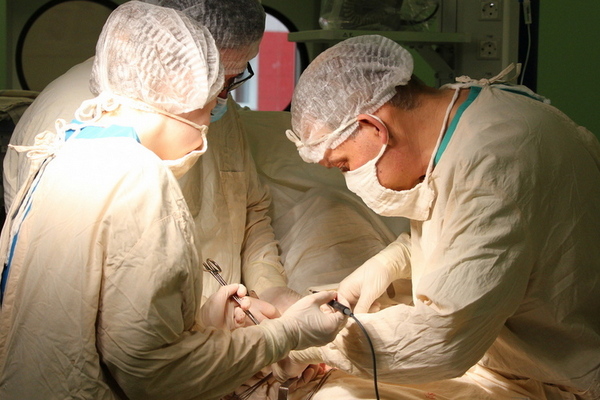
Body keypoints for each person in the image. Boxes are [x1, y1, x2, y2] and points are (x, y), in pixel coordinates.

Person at [0, 3, 347, 399]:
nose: (207, 128)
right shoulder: (141, 180)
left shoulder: (74, 146)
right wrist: (286, 333)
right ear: (181, 90)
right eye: (211, 105)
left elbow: (100, 316)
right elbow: (156, 376)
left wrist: (204, 321)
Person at [278, 35, 600, 399]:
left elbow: (441, 339)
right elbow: (468, 227)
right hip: (506, 352)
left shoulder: (494, 167)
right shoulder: (470, 113)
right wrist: (391, 261)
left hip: (559, 380)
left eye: (343, 165)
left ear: (375, 128)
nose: (350, 179)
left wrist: (304, 344)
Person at [2, 0, 300, 314]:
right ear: (167, 51)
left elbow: (249, 205)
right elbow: (112, 312)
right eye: (212, 81)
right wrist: (220, 330)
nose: (218, 101)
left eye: (228, 81)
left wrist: (270, 289)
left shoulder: (213, 108)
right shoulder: (86, 135)